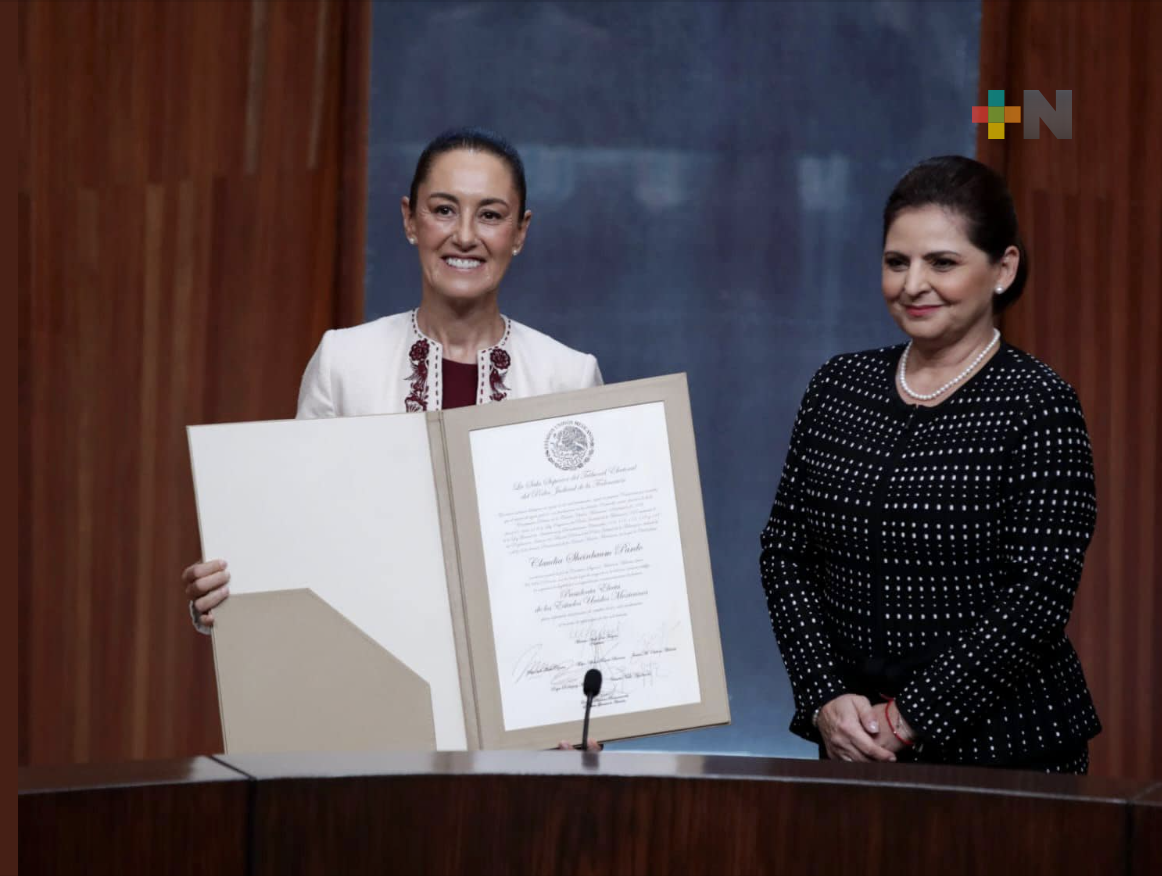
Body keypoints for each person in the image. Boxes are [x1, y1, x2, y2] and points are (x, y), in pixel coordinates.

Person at [182, 127, 602, 634]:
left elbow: (589, 564)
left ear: (520, 231)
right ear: (410, 219)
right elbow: (294, 531)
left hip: (523, 671)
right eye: (444, 209)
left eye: (490, 214)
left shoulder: (569, 376)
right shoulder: (344, 361)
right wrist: (228, 597)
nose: (465, 235)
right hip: (373, 667)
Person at [759, 155, 1100, 773]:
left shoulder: (1039, 403)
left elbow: (1038, 597)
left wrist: (909, 716)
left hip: (1007, 755)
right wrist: (824, 698)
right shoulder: (839, 387)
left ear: (1003, 268)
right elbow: (785, 554)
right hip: (852, 747)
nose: (913, 283)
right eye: (896, 262)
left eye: (942, 262)